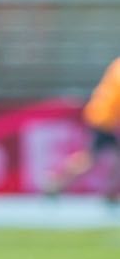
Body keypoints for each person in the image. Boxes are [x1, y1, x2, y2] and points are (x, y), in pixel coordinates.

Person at [44, 55, 120, 201]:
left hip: (102, 116)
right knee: (91, 159)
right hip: (104, 118)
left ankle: (110, 193)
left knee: (104, 158)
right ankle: (56, 183)